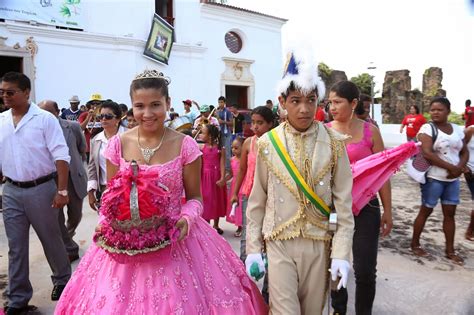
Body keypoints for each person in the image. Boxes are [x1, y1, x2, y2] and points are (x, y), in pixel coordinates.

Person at [54, 69, 267, 314]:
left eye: (155, 105)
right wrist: (105, 223)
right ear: (130, 109)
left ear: (168, 103)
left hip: (176, 238)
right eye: (139, 106)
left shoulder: (185, 145)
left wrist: (186, 219)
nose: (147, 113)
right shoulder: (118, 145)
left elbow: (196, 198)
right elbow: (112, 199)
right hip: (126, 246)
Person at [245, 52, 354, 314]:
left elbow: (344, 205)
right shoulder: (268, 144)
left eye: (311, 100)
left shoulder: (335, 143)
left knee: (313, 311)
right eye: (295, 101)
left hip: (319, 241)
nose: (304, 109)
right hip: (279, 239)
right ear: (283, 101)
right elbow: (257, 200)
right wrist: (252, 249)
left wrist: (341, 252)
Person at [0, 72, 71, 314]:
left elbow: (62, 155)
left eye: (10, 92)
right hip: (10, 191)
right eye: (2, 92)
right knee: (16, 247)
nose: (5, 96)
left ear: (26, 92)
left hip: (42, 189)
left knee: (51, 240)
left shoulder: (44, 120)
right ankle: (17, 299)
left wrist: (62, 190)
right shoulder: (1, 121)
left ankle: (63, 282)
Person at [327, 81, 393, 315]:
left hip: (367, 207)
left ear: (353, 103)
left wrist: (388, 210)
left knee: (365, 270)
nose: (332, 107)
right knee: (334, 264)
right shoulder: (324, 131)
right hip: (332, 209)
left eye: (337, 102)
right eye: (330, 102)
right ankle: (338, 309)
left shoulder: (370, 132)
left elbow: (383, 174)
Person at [411, 97, 468, 265]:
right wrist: (452, 168)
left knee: (450, 214)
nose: (435, 112)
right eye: (433, 109)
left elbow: (464, 151)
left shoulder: (457, 129)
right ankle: (415, 244)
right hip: (434, 178)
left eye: (440, 110)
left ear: (448, 111)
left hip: (453, 180)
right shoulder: (427, 128)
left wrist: (459, 167)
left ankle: (450, 251)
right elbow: (427, 153)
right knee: (426, 211)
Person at [39, 100, 87, 263]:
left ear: (58, 111)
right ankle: (68, 246)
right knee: (56, 217)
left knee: (76, 215)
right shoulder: (37, 130)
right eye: (41, 112)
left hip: (73, 178)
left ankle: (67, 237)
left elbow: (81, 148)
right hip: (51, 180)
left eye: (48, 111)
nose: (44, 115)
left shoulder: (72, 127)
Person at [230, 106, 274, 262]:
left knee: (269, 236)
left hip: (270, 196)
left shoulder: (277, 144)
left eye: (260, 123)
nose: (255, 126)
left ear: (270, 124)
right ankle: (243, 276)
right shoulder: (248, 143)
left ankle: (269, 284)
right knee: (248, 234)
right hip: (249, 194)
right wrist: (235, 193)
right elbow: (242, 170)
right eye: (253, 122)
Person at [87, 100, 125, 211]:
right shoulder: (96, 140)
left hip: (127, 189)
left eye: (108, 116)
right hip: (104, 190)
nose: (103, 119)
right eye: (101, 116)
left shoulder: (129, 137)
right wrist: (90, 192)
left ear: (118, 119)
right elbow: (92, 167)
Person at [199, 124, 227, 234]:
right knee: (207, 199)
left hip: (216, 177)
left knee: (217, 200)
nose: (200, 135)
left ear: (210, 136)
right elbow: (200, 164)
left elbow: (222, 164)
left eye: (203, 133)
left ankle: (216, 225)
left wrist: (223, 178)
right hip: (205, 177)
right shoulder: (201, 148)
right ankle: (207, 225)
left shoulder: (220, 149)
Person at [226, 137, 244, 237]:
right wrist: (223, 180)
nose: (233, 150)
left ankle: (242, 226)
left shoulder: (246, 159)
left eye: (236, 148)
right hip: (234, 186)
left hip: (243, 184)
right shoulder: (232, 160)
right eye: (232, 148)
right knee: (236, 207)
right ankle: (239, 226)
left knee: (242, 206)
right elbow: (231, 174)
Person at [78, 94, 103, 161]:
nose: (95, 105)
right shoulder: (84, 115)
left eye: (98, 103)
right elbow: (80, 129)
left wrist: (99, 118)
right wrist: (88, 117)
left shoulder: (104, 115)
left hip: (101, 146)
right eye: (93, 103)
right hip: (88, 148)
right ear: (89, 105)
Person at [463, 124, 474, 241]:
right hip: (471, 171)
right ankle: (470, 230)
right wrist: (464, 167)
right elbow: (459, 148)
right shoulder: (470, 130)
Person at [216, 96, 233, 167]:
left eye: (222, 102)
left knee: (227, 152)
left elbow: (232, 123)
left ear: (224, 103)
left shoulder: (228, 111)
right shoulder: (217, 111)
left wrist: (222, 121)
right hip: (219, 134)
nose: (220, 104)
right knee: (220, 152)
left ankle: (228, 168)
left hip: (227, 134)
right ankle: (222, 167)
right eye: (219, 102)